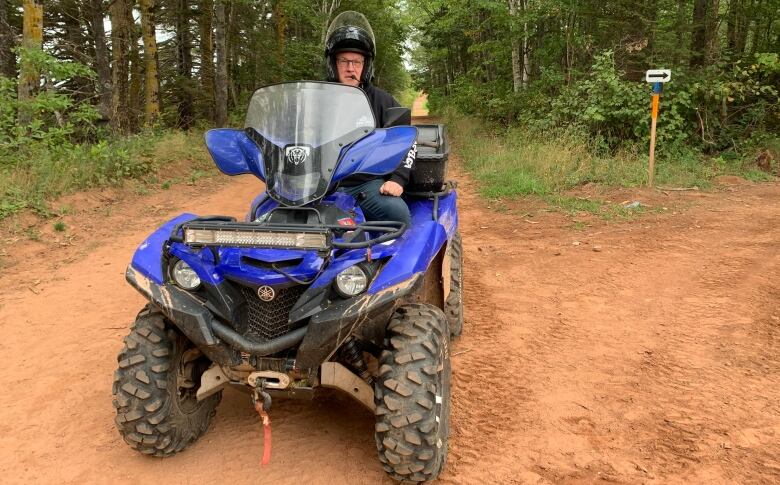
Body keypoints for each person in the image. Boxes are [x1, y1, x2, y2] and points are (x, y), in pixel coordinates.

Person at [324, 11, 414, 227]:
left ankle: (383, 260)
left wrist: (397, 180)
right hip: (320, 184)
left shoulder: (383, 100)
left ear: (366, 66)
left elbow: (408, 143)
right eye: (343, 60)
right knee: (267, 210)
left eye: (356, 61)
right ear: (333, 63)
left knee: (399, 216)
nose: (350, 68)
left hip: (365, 184)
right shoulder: (318, 99)